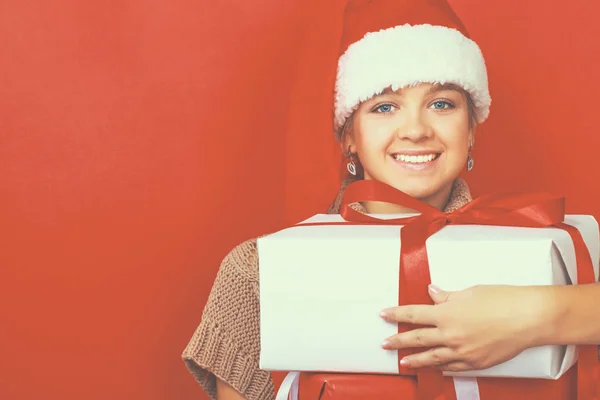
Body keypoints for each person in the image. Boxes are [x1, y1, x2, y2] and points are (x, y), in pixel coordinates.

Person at [181, 0, 600, 399]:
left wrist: (536, 315)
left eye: (441, 104)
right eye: (384, 107)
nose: (415, 130)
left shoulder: (539, 253)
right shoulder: (259, 271)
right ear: (349, 136)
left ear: (471, 129)